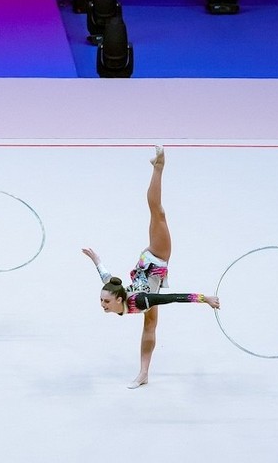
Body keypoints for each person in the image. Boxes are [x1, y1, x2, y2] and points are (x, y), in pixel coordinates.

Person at [81, 146, 220, 389]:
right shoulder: (124, 298)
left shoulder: (142, 300)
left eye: (105, 301)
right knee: (149, 326)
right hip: (150, 265)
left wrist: (204, 298)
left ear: (117, 299)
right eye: (103, 301)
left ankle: (159, 166)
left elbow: (176, 298)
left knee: (158, 212)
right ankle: (143, 373)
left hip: (157, 255)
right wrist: (96, 260)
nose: (102, 305)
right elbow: (106, 277)